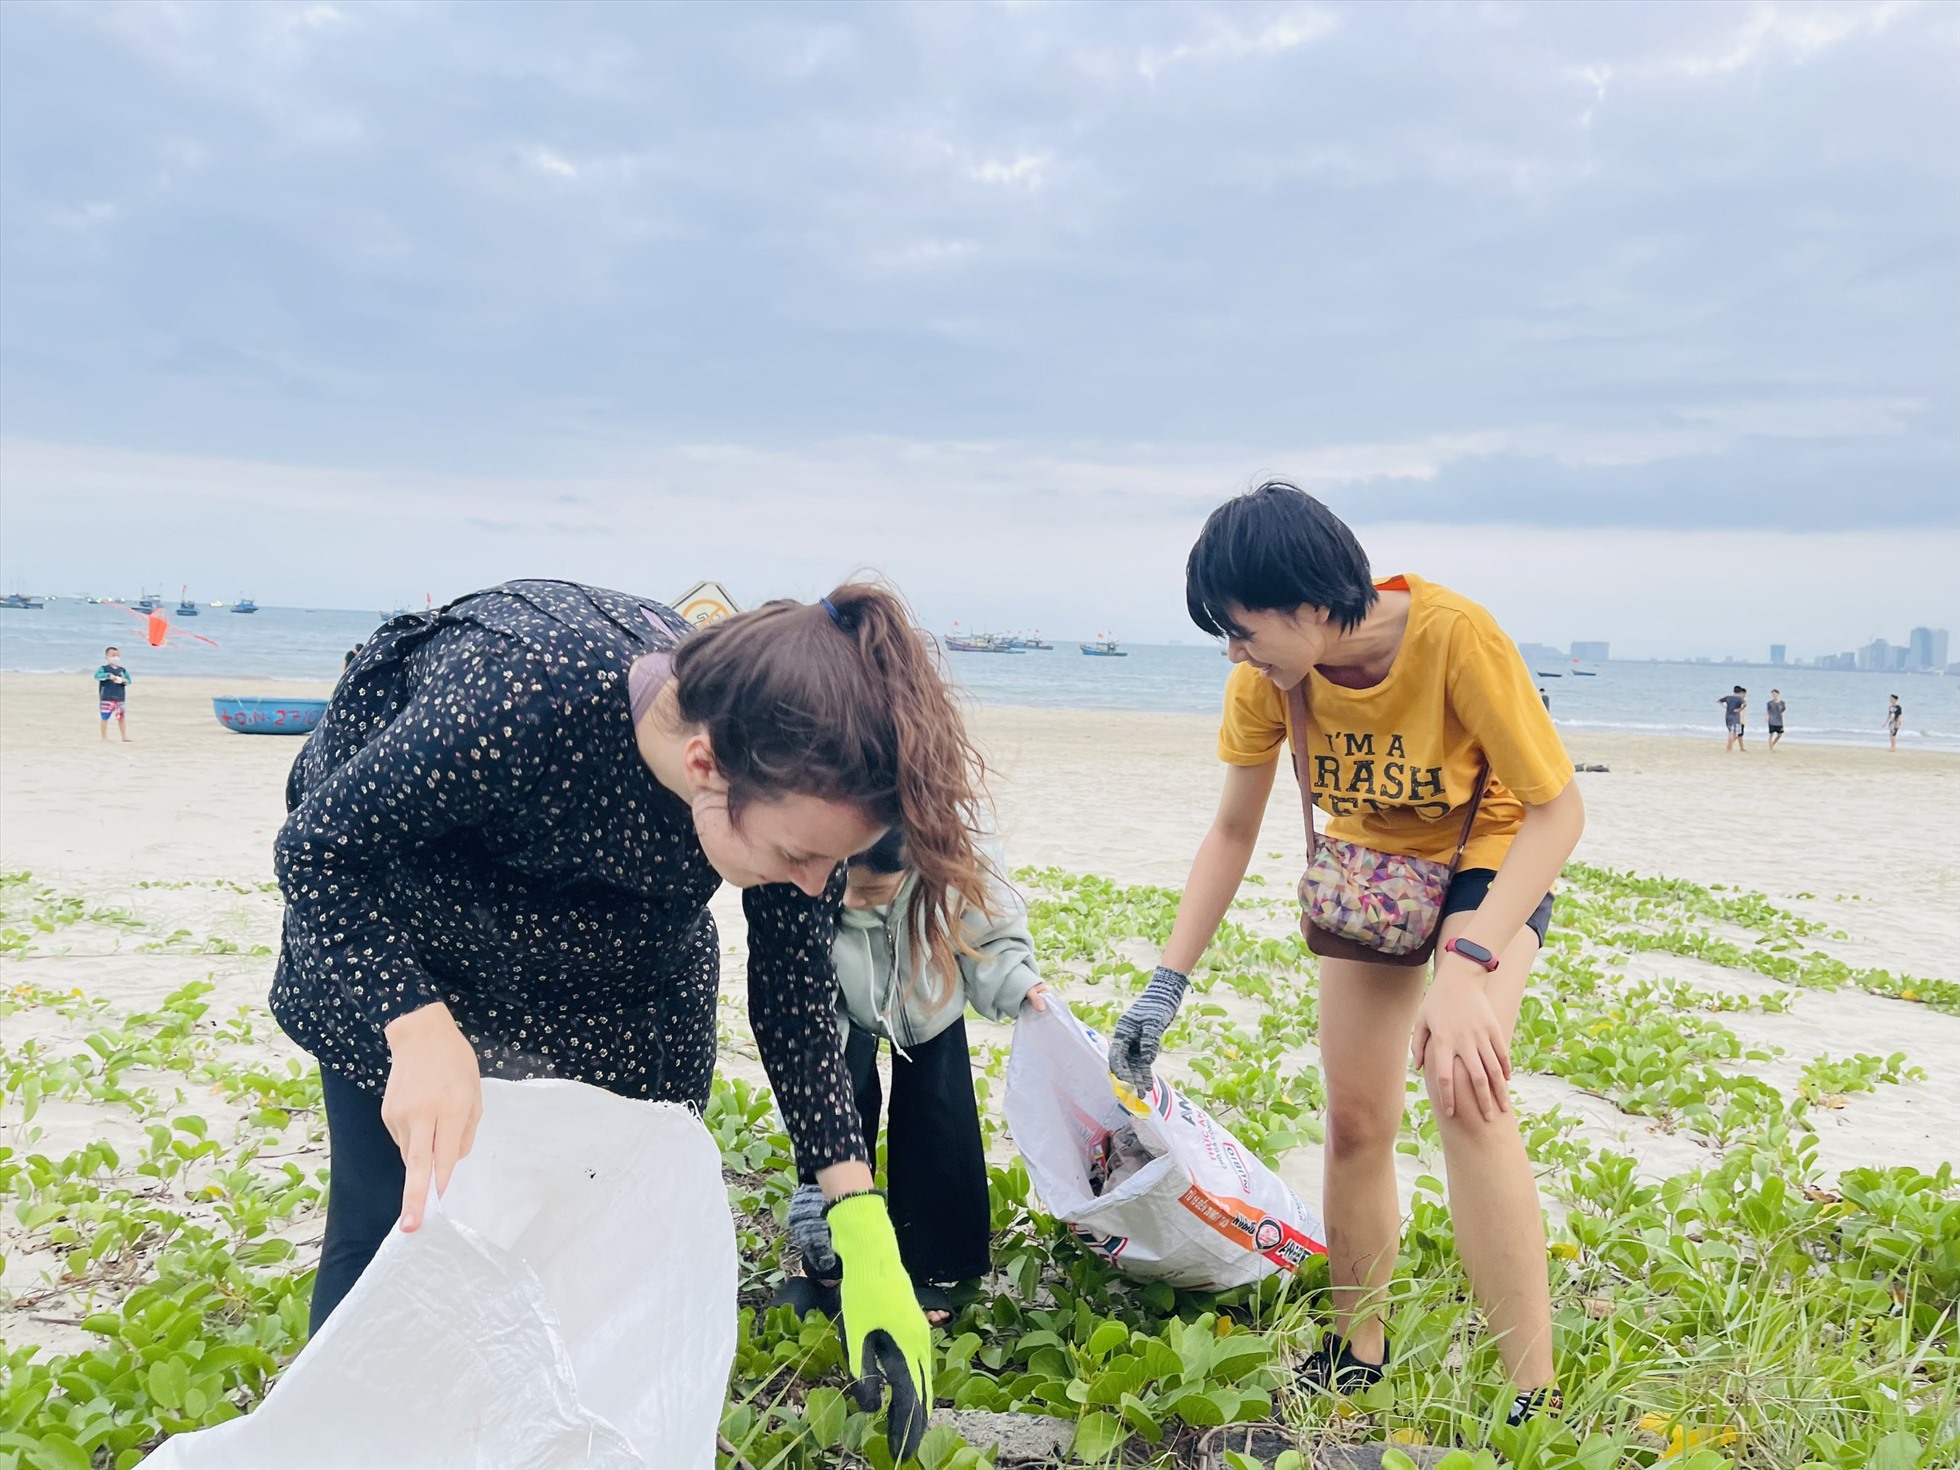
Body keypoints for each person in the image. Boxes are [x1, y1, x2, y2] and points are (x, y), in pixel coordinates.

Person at [273, 579, 986, 1462]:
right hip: (410, 949)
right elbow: (318, 847)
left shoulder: (795, 787)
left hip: (624, 984)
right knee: (395, 1236)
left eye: (828, 863)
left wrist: (859, 1216)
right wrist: (416, 1027)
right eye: (798, 856)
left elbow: (795, 994)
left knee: (598, 1243)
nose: (813, 886)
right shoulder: (523, 698)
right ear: (704, 768)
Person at [1108, 483, 1583, 1428]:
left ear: (1314, 606)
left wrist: (1467, 969)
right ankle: (1354, 1348)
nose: (1237, 655)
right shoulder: (1267, 680)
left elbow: (1556, 812)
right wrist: (1166, 985)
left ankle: (1534, 1395)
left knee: (1466, 1089)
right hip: (1372, 873)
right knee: (1358, 1120)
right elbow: (1232, 831)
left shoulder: (1457, 637)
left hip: (1489, 860)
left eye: (1244, 631)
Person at [776, 829, 1049, 1328]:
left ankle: (931, 1265)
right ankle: (832, 1267)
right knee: (833, 1110)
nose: (854, 901)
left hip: (929, 991)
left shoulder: (962, 848)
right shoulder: (812, 848)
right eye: (847, 888)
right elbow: (792, 1009)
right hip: (837, 999)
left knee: (937, 1118)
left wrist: (1019, 983)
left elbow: (993, 931)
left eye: (871, 893)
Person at [95, 646, 131, 742]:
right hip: (106, 697)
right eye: (113, 655)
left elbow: (129, 681)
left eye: (117, 655)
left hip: (119, 698)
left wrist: (124, 681)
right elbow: (97, 676)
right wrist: (108, 676)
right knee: (105, 717)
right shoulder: (103, 669)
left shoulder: (122, 670)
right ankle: (104, 736)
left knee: (121, 718)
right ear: (107, 656)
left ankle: (124, 736)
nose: (115, 657)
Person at [1718, 685, 1747, 752]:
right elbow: (1745, 704)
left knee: (1731, 732)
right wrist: (1740, 709)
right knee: (1734, 733)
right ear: (1740, 692)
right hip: (1735, 717)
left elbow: (1719, 701)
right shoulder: (1740, 699)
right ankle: (1729, 747)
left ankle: (1729, 747)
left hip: (1728, 716)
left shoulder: (1728, 697)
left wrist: (1724, 707)